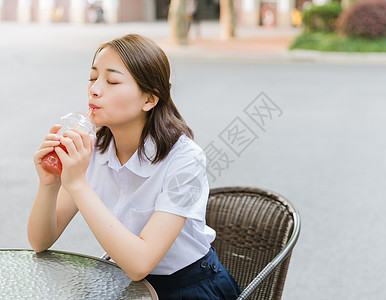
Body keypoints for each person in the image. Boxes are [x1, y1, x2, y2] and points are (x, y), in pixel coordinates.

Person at [28, 34, 242, 299]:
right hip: (124, 284)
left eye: (112, 81)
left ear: (149, 100)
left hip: (187, 288)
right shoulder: (92, 148)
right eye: (93, 77)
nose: (95, 89)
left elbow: (140, 264)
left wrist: (78, 183)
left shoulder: (184, 158)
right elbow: (40, 241)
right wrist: (49, 185)